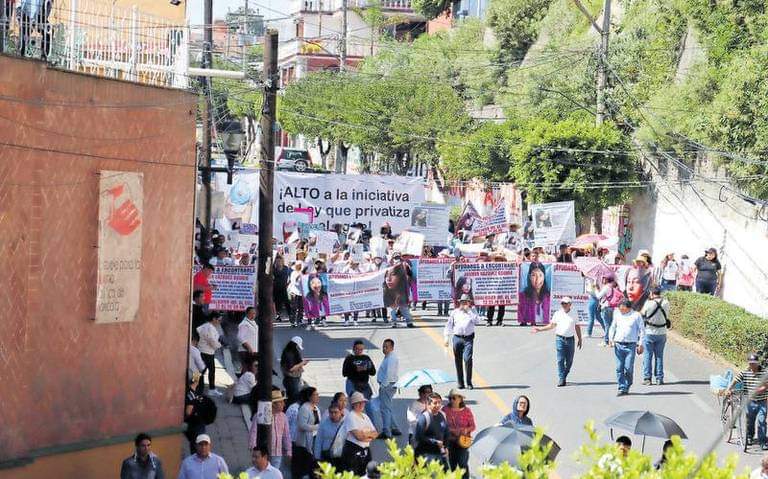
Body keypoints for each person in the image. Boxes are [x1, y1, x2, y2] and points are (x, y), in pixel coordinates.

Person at [533, 297, 583, 387]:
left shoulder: (574, 313)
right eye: (562, 303)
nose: (564, 305)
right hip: (560, 339)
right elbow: (552, 325)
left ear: (570, 304)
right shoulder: (558, 313)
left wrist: (580, 338)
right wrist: (540, 329)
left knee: (569, 361)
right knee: (560, 359)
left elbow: (577, 326)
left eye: (566, 303)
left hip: (570, 339)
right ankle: (561, 378)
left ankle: (564, 375)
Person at [727, 353, 768, 450]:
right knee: (750, 420)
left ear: (758, 363)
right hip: (750, 401)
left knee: (762, 421)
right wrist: (729, 388)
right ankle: (749, 437)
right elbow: (736, 379)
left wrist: (757, 391)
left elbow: (766, 386)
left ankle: (762, 442)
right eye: (750, 363)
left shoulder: (764, 373)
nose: (752, 365)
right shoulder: (745, 372)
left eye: (754, 363)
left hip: (762, 401)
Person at [608, 300, 645, 396]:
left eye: (622, 309)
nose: (621, 310)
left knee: (628, 368)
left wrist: (641, 344)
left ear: (629, 308)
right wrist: (611, 339)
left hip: (631, 345)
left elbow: (642, 330)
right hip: (618, 344)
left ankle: (628, 384)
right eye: (619, 309)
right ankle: (622, 387)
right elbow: (612, 327)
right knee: (619, 368)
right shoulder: (617, 314)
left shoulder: (636, 315)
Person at [444, 294, 481, 390]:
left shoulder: (472, 311)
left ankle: (469, 382)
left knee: (467, 359)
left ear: (469, 303)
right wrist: (446, 337)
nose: (464, 304)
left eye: (466, 302)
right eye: (462, 302)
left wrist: (469, 311)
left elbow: (477, 321)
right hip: (457, 338)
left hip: (468, 338)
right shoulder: (455, 312)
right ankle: (460, 382)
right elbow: (449, 325)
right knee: (458, 360)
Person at [249, 390, 292, 469]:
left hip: (277, 452)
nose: (284, 404)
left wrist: (288, 450)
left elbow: (286, 435)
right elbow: (253, 432)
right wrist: (253, 448)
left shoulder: (283, 417)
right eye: (281, 402)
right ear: (274, 404)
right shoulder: (260, 415)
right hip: (264, 452)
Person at [342, 392, 378, 476]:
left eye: (363, 402)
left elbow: (375, 433)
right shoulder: (351, 416)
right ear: (353, 404)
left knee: (367, 474)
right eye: (358, 403)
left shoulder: (365, 416)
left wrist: (365, 434)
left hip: (366, 450)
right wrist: (369, 435)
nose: (361, 404)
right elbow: (358, 436)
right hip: (353, 451)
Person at [442, 389, 476, 479]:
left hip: (463, 441)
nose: (451, 400)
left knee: (462, 463)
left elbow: (473, 426)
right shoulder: (445, 410)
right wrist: (452, 430)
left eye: (454, 398)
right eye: (450, 398)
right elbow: (442, 425)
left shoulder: (467, 411)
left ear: (460, 399)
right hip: (450, 441)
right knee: (451, 465)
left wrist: (465, 430)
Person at [641, 288, 669, 386]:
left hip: (649, 332)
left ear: (651, 293)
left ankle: (647, 378)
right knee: (659, 356)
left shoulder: (648, 303)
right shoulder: (666, 303)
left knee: (647, 356)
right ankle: (659, 378)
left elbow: (642, 313)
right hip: (662, 332)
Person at [414, 393, 449, 467]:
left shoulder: (443, 415)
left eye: (439, 402)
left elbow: (446, 432)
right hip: (426, 454)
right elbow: (419, 437)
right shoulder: (424, 418)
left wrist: (446, 447)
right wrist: (435, 442)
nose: (438, 405)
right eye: (435, 403)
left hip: (440, 453)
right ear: (428, 404)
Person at [293, 387, 321, 479]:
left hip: (314, 439)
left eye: (318, 394)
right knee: (305, 466)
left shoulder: (316, 408)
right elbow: (302, 425)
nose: (318, 396)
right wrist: (317, 427)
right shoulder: (304, 408)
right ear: (309, 397)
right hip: (304, 442)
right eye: (315, 395)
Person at [377, 338, 401, 439]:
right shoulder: (389, 357)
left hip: (387, 385)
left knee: (384, 409)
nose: (384, 348)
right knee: (388, 407)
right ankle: (394, 428)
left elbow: (389, 374)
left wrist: (383, 386)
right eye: (383, 346)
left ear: (392, 348)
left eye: (387, 347)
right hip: (389, 385)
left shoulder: (391, 358)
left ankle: (386, 431)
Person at [384, 253, 415, 328]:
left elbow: (410, 275)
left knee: (404, 307)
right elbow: (385, 279)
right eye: (395, 258)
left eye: (398, 257)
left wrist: (406, 266)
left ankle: (409, 322)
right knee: (392, 308)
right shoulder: (388, 268)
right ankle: (393, 322)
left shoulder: (404, 266)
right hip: (391, 291)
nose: (397, 259)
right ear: (392, 259)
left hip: (402, 291)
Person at [196, 312, 223, 396]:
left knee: (201, 370)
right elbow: (212, 341)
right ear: (214, 319)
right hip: (206, 352)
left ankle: (196, 387)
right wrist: (219, 345)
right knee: (205, 370)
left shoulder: (206, 326)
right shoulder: (209, 328)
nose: (219, 322)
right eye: (219, 320)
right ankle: (204, 388)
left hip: (205, 351)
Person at [314, 404, 345, 468]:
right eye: (331, 412)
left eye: (335, 412)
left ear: (341, 412)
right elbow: (318, 441)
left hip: (341, 457)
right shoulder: (324, 423)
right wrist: (317, 457)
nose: (333, 414)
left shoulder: (345, 424)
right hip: (326, 456)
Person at [281, 337, 308, 406]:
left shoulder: (293, 352)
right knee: (293, 398)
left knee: (293, 397)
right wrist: (302, 363)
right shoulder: (289, 354)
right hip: (292, 379)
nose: (298, 348)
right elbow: (291, 368)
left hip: (294, 378)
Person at [184, 373, 207, 453]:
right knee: (197, 441)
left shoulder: (192, 392)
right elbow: (188, 412)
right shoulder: (191, 394)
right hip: (194, 422)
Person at [597, 276, 622, 347]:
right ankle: (612, 340)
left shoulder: (606, 287)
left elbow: (598, 296)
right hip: (612, 307)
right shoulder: (614, 287)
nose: (602, 280)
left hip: (605, 307)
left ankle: (606, 341)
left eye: (604, 278)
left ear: (607, 280)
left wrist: (596, 290)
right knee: (611, 325)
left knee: (607, 325)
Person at [238, 307, 259, 374]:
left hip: (253, 350)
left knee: (251, 369)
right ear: (247, 314)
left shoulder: (253, 322)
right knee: (247, 369)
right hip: (246, 351)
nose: (253, 315)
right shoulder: (244, 324)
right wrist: (249, 347)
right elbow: (240, 337)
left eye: (254, 313)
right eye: (251, 313)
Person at [273, 256, 292, 322]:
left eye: (280, 261)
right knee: (277, 302)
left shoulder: (286, 268)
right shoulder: (273, 268)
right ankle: (278, 316)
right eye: (277, 261)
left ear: (282, 261)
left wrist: (287, 284)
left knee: (286, 302)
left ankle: (290, 315)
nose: (278, 262)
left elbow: (290, 277)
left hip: (283, 287)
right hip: (275, 288)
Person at [288, 261, 305, 327]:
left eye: (300, 265)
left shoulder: (303, 273)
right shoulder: (293, 273)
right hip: (295, 292)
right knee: (294, 307)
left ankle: (299, 320)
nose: (299, 266)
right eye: (298, 265)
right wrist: (299, 276)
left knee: (301, 307)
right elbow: (294, 283)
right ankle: (292, 321)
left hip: (301, 293)